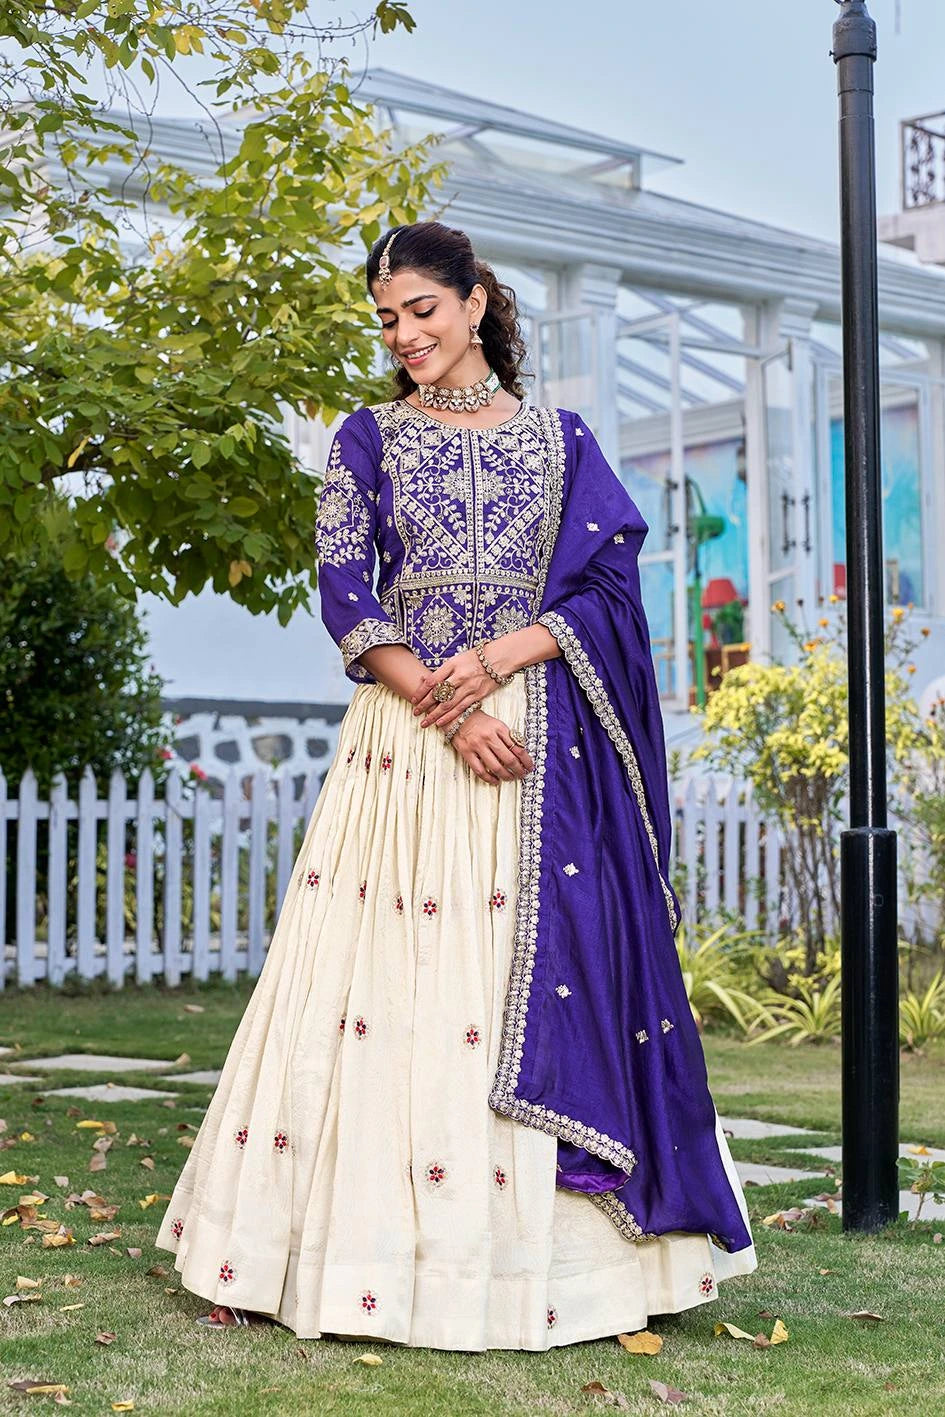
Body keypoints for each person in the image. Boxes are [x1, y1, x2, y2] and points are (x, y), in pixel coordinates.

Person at [156, 220, 757, 1350]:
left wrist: (499, 661)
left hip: (539, 745)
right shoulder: (367, 437)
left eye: (423, 309)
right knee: (377, 984)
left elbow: (610, 590)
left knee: (530, 975)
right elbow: (344, 588)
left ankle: (568, 1274)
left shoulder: (564, 438)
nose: (405, 334)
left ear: (476, 300)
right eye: (387, 318)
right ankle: (329, 1256)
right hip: (409, 746)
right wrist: (450, 702)